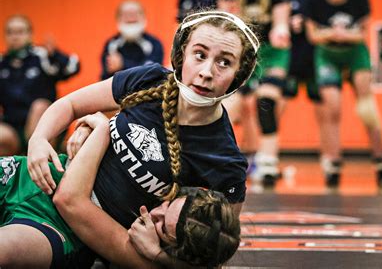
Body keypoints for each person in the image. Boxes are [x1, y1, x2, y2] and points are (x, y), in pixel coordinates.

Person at [26, 10, 258, 265]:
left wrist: (156, 255)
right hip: (44, 180)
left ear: (240, 74)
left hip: (83, 228)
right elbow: (70, 104)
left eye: (224, 62)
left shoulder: (224, 159)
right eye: (200, 55)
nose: (206, 72)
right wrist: (39, 139)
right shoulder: (150, 79)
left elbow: (216, 255)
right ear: (181, 55)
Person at [1, 112, 240, 268]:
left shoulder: (137, 249)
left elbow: (68, 198)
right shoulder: (170, 178)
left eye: (162, 226)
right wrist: (43, 137)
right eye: (166, 206)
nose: (151, 214)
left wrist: (101, 129)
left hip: (52, 227)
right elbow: (77, 105)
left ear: (175, 251)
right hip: (28, 177)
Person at [304, 0, 382, 188]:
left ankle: (381, 161)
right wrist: (335, 34)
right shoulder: (315, 1)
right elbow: (313, 36)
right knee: (332, 108)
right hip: (328, 54)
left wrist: (334, 33)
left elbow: (362, 34)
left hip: (354, 53)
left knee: (366, 105)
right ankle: (333, 163)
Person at [218, 0, 290, 184]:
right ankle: (221, 159)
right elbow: (225, 21)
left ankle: (268, 162)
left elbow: (281, 19)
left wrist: (282, 29)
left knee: (266, 102)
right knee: (229, 107)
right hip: (242, 48)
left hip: (271, 51)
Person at [0, 15, 80, 156]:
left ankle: (39, 160)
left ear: (29, 34)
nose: (15, 37)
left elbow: (73, 67)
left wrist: (54, 54)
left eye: (20, 32)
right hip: (13, 128)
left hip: (45, 127)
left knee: (39, 106)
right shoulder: (2, 63)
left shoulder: (41, 56)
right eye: (10, 32)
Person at [283, 0, 324, 110]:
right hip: (293, 57)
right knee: (280, 104)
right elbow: (277, 21)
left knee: (323, 107)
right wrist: (289, 23)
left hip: (318, 58)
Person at [100, 0, 164, 80]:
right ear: (118, 18)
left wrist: (123, 64)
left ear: (143, 17)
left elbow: (152, 72)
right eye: (125, 14)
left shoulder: (154, 43)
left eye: (135, 13)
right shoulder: (111, 44)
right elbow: (105, 77)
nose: (130, 17)